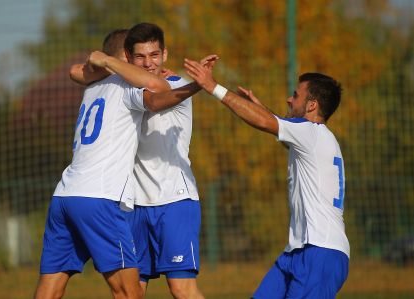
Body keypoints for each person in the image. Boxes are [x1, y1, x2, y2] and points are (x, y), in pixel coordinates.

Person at [34, 29, 208, 299]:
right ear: (127, 58)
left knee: (51, 288)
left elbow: (77, 72)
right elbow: (153, 92)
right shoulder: (128, 86)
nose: (148, 63)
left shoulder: (95, 86)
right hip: (105, 198)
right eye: (139, 57)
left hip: (72, 194)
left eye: (153, 55)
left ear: (164, 54)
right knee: (130, 292)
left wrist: (197, 84)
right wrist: (116, 67)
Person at [184, 59, 349, 299]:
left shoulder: (310, 132)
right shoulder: (315, 138)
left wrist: (212, 86)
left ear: (312, 105)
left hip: (320, 253)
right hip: (297, 251)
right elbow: (275, 126)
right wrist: (259, 108)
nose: (289, 100)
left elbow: (264, 122)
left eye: (296, 95)